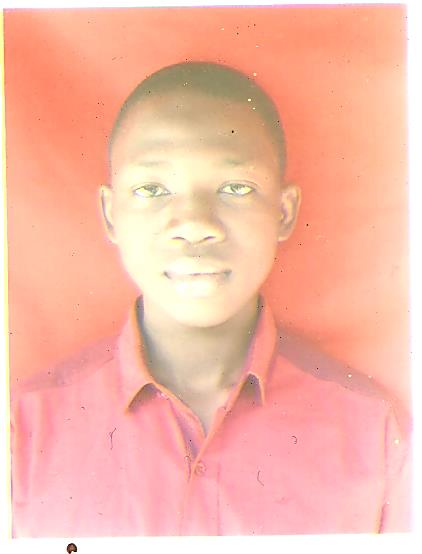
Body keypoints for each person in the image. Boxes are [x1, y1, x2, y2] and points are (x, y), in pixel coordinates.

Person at [10, 61, 411, 537]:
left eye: (235, 188)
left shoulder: (375, 434)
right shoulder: (21, 433)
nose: (196, 224)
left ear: (284, 212)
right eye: (152, 189)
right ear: (111, 214)